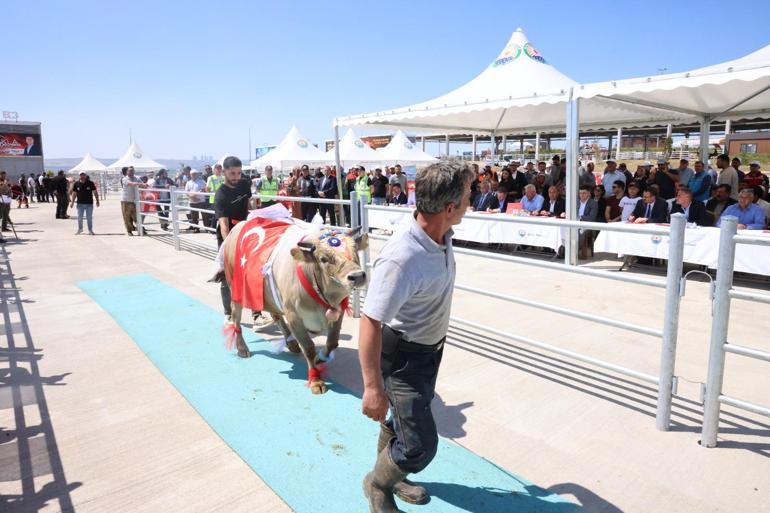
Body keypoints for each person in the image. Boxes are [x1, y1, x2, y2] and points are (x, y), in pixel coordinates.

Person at [359, 161, 472, 513]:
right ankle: (378, 484)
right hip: (402, 358)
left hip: (428, 353)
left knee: (399, 424)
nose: (473, 201)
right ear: (449, 208)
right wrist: (373, 387)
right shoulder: (402, 257)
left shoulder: (440, 234)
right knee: (421, 445)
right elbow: (370, 321)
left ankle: (392, 476)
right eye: (469, 195)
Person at [213, 156, 272, 328]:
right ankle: (228, 314)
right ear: (224, 172)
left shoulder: (245, 184)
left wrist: (257, 219)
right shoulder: (221, 194)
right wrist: (230, 247)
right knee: (227, 276)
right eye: (232, 173)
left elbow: (249, 206)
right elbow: (223, 225)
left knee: (252, 271)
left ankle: (257, 316)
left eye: (239, 173)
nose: (236, 177)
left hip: (246, 232)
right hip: (229, 235)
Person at [121, 166, 144, 235]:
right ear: (127, 172)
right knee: (127, 216)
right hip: (126, 200)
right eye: (130, 171)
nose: (131, 172)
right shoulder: (124, 179)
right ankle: (129, 231)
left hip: (134, 201)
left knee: (136, 216)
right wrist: (141, 184)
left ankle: (141, 229)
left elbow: (142, 184)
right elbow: (131, 184)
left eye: (132, 170)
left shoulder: (136, 178)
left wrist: (144, 185)